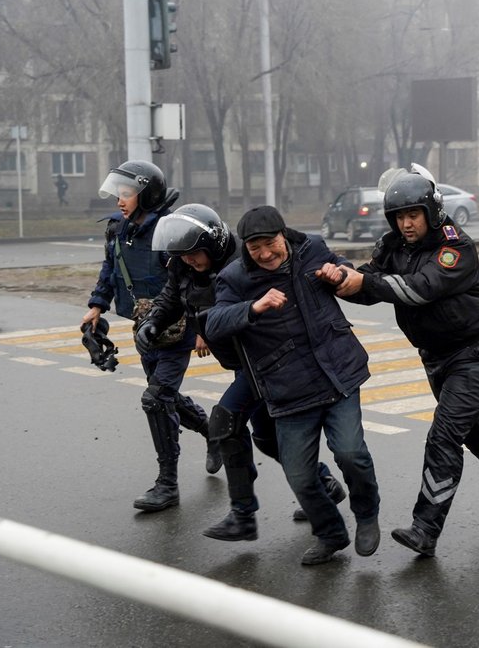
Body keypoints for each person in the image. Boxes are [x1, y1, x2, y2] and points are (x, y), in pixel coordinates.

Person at [317, 164, 479, 558]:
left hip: (474, 351)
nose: (406, 224)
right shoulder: (392, 246)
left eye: (412, 214)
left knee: (445, 434)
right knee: (469, 431)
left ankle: (425, 528)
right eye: (399, 216)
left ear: (431, 212)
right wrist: (339, 278)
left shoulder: (456, 247)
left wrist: (364, 282)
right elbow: (370, 283)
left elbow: (420, 289)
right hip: (434, 355)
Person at [136, 204, 346, 541]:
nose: (189, 261)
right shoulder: (184, 267)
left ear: (214, 243)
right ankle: (323, 485)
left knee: (224, 421)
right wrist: (153, 322)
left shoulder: (243, 264)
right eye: (182, 256)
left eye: (194, 254)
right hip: (242, 363)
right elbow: (172, 296)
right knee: (266, 438)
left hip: (268, 359)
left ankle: (243, 515)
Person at [204, 205, 381, 566]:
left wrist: (340, 272)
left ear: (284, 235)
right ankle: (331, 533)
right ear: (245, 248)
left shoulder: (312, 248)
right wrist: (254, 307)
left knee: (351, 453)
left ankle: (366, 516)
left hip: (337, 373)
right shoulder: (234, 278)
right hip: (288, 388)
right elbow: (215, 323)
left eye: (270, 243)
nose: (265, 254)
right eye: (255, 248)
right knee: (299, 475)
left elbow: (345, 269)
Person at [81, 160, 220, 513]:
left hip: (179, 329)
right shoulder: (117, 229)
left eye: (126, 194)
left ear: (146, 194)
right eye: (118, 194)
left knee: (157, 399)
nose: (119, 201)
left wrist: (203, 328)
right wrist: (96, 306)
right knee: (165, 396)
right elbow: (110, 269)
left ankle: (167, 485)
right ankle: (213, 431)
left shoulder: (169, 231)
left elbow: (195, 280)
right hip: (144, 328)